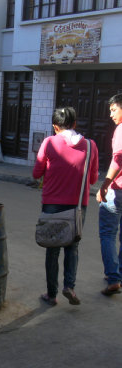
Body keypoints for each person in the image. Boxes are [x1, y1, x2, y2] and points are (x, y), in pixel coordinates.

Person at [33, 107, 99, 306]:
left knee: (52, 249)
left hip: (52, 205)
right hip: (78, 205)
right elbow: (93, 178)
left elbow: (36, 173)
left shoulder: (49, 142)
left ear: (55, 126)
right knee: (73, 246)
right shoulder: (90, 145)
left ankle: (51, 294)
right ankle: (69, 286)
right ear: (75, 124)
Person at [96, 93, 122, 296]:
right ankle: (118, 274)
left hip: (118, 190)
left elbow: (118, 159)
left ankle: (113, 278)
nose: (111, 114)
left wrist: (104, 184)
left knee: (107, 233)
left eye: (114, 109)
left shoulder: (121, 129)